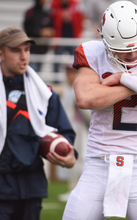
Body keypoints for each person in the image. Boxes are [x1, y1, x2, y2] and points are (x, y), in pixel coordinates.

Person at [62, 1, 137, 220]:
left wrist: (122, 78)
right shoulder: (92, 53)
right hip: (98, 163)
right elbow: (86, 97)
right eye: (122, 50)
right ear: (106, 42)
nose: (133, 54)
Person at [0, 27, 78, 220]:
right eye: (16, 50)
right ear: (0, 53)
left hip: (32, 186)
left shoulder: (44, 93)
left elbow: (65, 133)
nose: (23, 56)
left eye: (26, 49)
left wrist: (69, 155)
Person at [57, 64, 90, 202]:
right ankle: (73, 189)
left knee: (80, 159)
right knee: (72, 158)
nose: (68, 75)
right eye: (67, 72)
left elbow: (87, 113)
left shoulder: (79, 88)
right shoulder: (68, 90)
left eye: (71, 72)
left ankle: (80, 190)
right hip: (71, 128)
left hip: (80, 129)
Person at [49, 0, 85, 74]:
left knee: (76, 61)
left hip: (73, 38)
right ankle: (56, 80)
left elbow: (81, 19)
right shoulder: (54, 5)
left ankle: (76, 78)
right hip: (59, 38)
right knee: (57, 61)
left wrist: (79, 35)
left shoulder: (75, 5)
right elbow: (50, 21)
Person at [23, 0, 55, 72]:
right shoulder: (30, 12)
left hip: (42, 48)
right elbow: (27, 28)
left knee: (38, 71)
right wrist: (39, 32)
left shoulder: (46, 13)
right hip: (32, 48)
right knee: (32, 70)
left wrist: (50, 31)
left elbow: (51, 26)